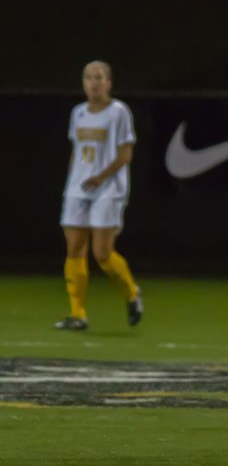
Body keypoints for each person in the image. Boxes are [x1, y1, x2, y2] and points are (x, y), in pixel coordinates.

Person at [56, 61, 142, 331]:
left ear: (109, 83)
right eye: (88, 77)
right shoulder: (78, 113)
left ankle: (132, 293)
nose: (93, 82)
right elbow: (77, 152)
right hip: (78, 189)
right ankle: (78, 314)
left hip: (108, 189)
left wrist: (100, 177)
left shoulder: (118, 112)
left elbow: (125, 155)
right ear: (83, 83)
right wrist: (74, 180)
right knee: (74, 249)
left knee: (102, 253)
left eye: (99, 77)